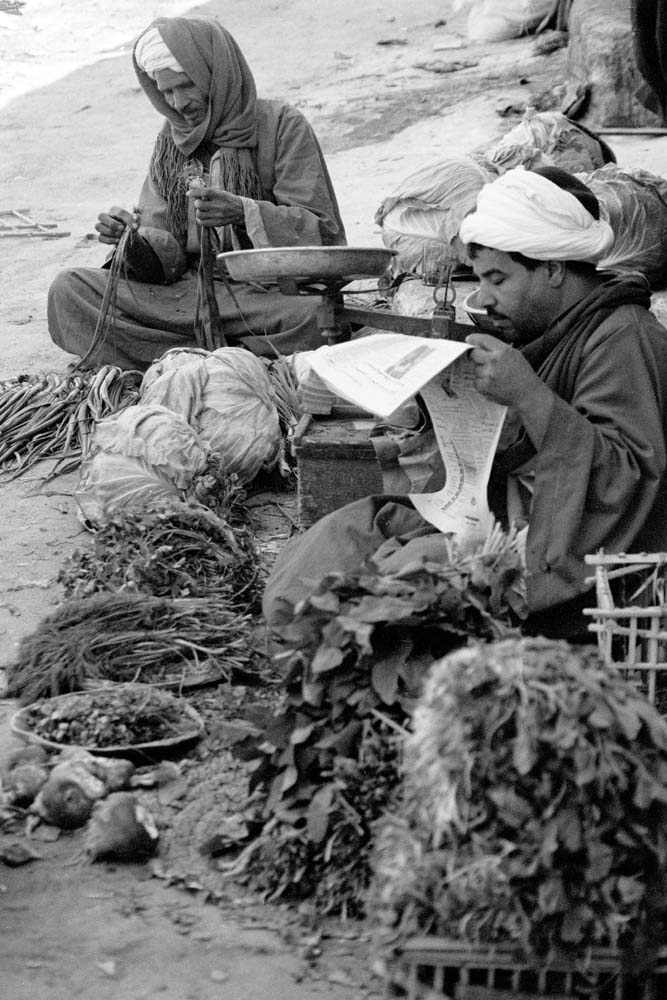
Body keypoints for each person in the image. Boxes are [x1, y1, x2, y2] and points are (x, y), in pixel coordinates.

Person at [263, 165, 667, 640]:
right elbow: (524, 447)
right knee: (338, 539)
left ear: (554, 269)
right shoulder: (556, 330)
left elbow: (627, 482)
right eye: (480, 279)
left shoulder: (624, 338)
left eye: (498, 278)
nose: (485, 298)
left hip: (572, 556)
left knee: (380, 588)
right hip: (502, 516)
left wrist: (528, 394)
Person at [47, 14, 346, 370]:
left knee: (313, 317)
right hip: (186, 294)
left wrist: (244, 212)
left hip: (261, 294)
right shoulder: (171, 139)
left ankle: (183, 356)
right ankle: (228, 354)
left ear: (215, 75)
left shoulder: (282, 125)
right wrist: (131, 240)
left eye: (185, 85)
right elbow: (164, 251)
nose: (176, 102)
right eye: (166, 91)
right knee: (69, 291)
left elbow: (321, 231)